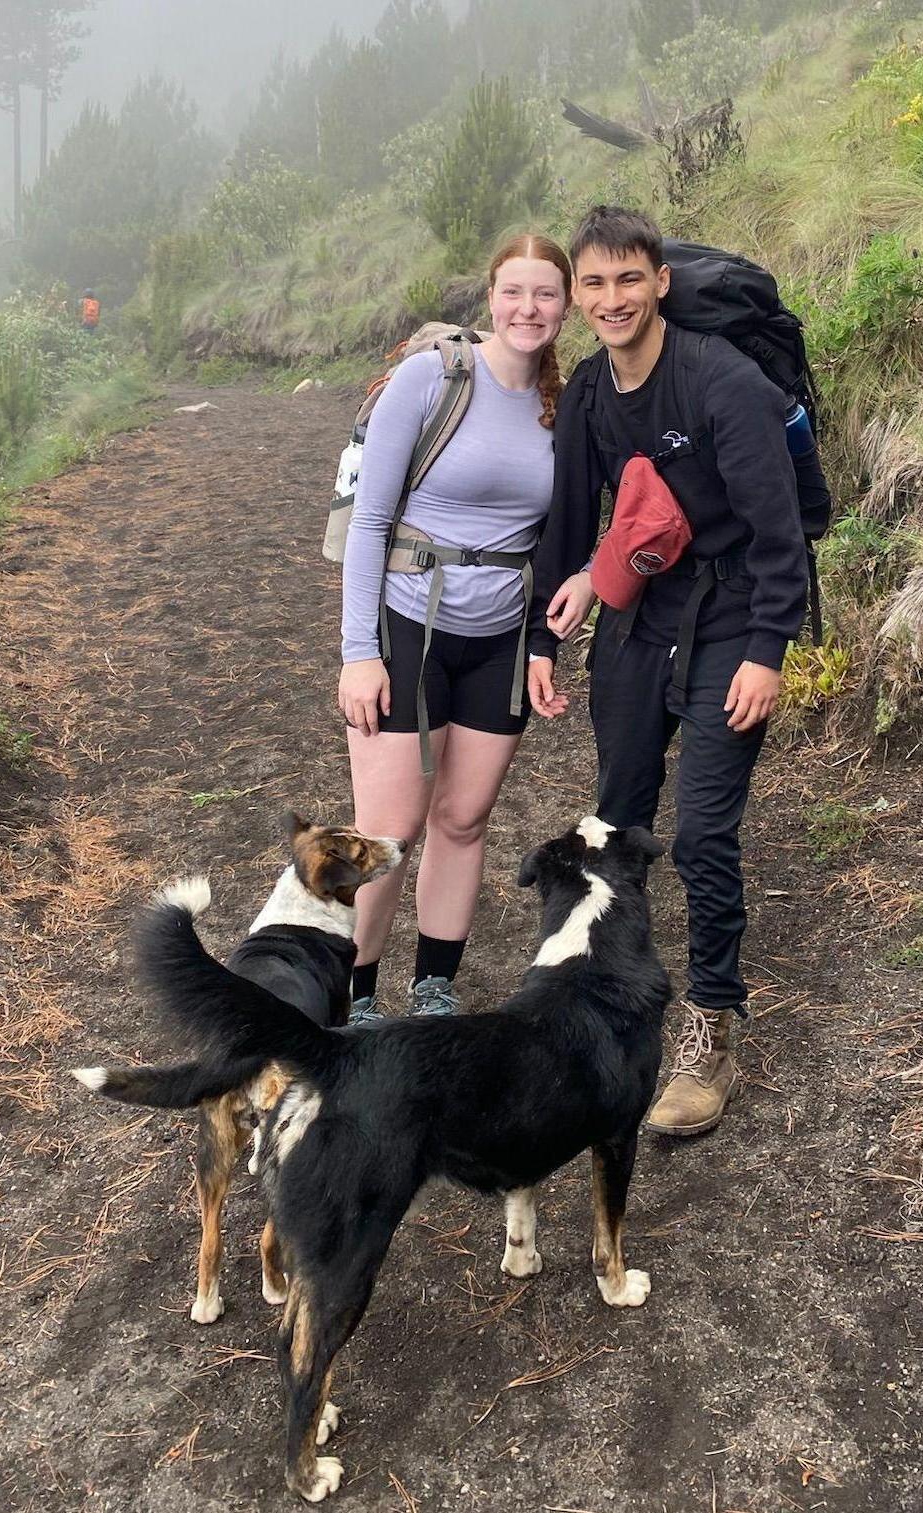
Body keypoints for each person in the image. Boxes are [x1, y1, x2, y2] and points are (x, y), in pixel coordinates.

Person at [526, 205, 808, 1136]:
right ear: (579, 300)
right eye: (593, 285)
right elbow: (572, 522)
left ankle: (712, 1023)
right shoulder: (591, 402)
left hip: (732, 610)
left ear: (660, 283)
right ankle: (616, 995)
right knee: (617, 817)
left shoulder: (721, 382)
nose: (611, 300)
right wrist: (543, 634)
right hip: (642, 616)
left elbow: (777, 535)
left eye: (627, 280)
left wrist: (767, 651)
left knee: (702, 832)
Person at [338, 234, 570, 1021]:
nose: (528, 309)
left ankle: (434, 986)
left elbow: (561, 532)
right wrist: (358, 653)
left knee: (463, 820)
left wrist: (545, 637)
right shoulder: (430, 378)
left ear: (565, 307)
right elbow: (370, 521)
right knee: (388, 828)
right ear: (490, 298)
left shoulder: (563, 403)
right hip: (406, 623)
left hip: (498, 637)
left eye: (545, 294)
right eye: (514, 292)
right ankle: (354, 997)